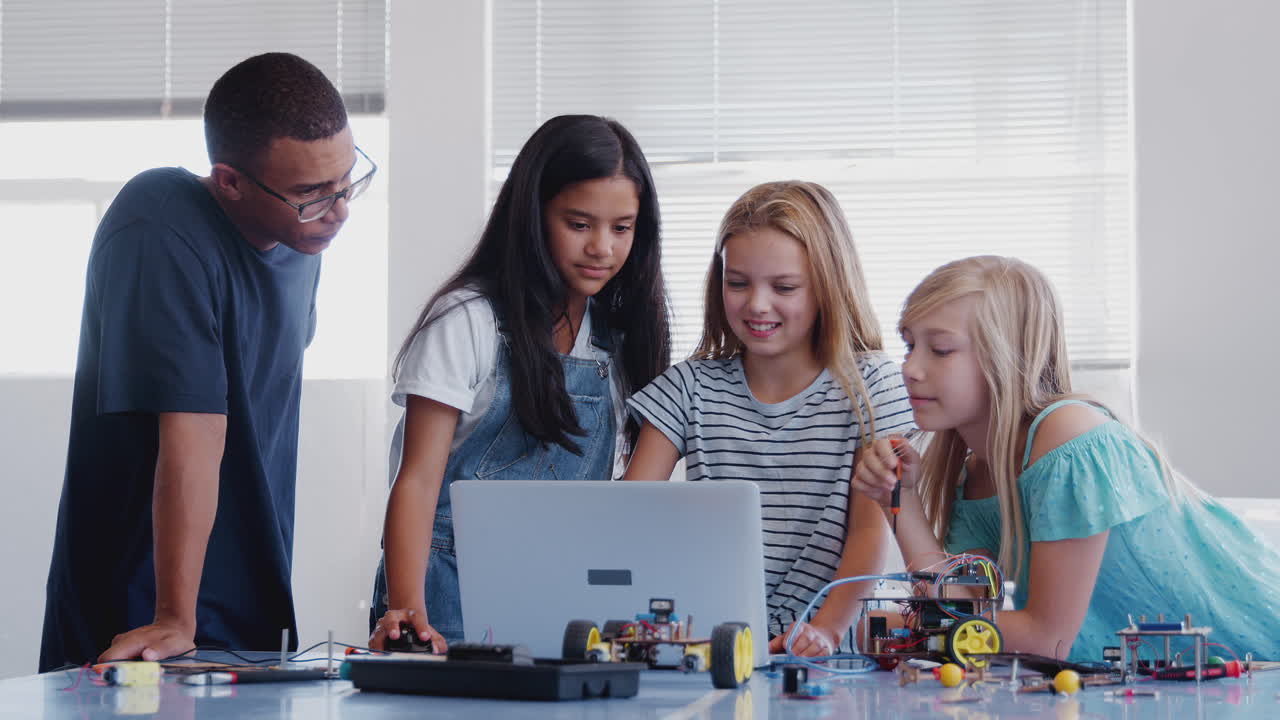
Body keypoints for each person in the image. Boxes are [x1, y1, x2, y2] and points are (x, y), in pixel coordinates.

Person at [39, 52, 375, 671]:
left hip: (250, 602)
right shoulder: (158, 222)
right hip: (144, 615)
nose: (339, 210)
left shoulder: (303, 238)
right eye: (309, 194)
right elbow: (195, 429)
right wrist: (175, 617)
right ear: (230, 182)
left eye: (346, 180)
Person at [852, 255, 1280, 662]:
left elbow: (1045, 637)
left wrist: (910, 627)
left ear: (1007, 357)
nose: (910, 368)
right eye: (909, 345)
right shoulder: (977, 476)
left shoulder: (1068, 440)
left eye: (941, 349)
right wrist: (899, 500)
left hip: (1264, 650)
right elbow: (962, 608)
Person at [368, 115, 671, 652]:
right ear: (533, 216)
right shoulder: (467, 319)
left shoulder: (617, 339)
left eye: (622, 228)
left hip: (563, 597)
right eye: (579, 224)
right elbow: (416, 480)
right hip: (445, 595)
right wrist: (407, 612)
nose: (602, 247)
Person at [625, 181, 913, 657]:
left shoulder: (873, 385)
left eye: (784, 287)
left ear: (827, 286)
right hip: (723, 642)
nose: (757, 304)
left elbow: (869, 531)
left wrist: (824, 631)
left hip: (833, 645)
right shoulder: (689, 386)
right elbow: (626, 517)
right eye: (738, 283)